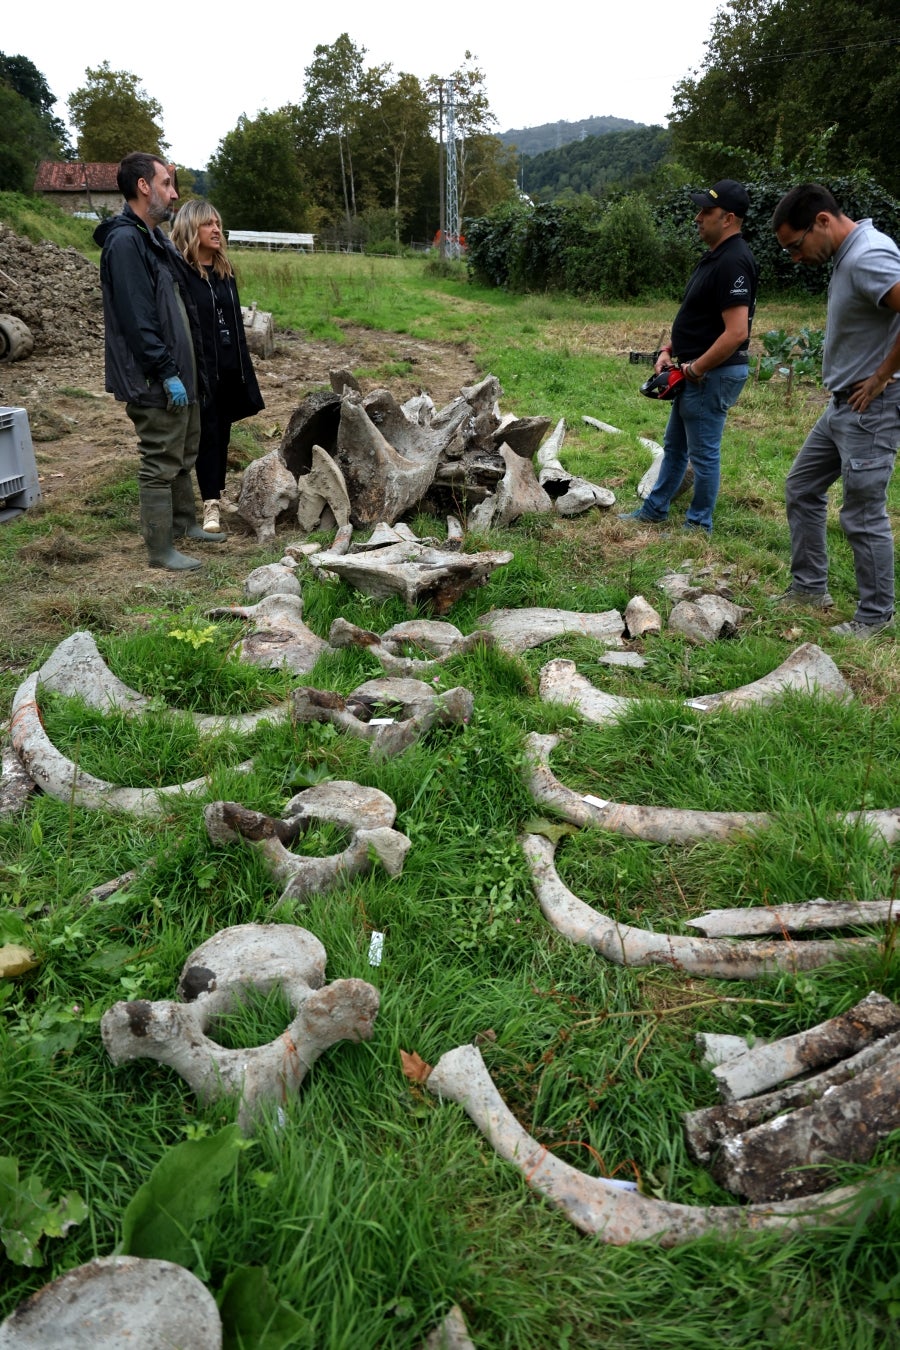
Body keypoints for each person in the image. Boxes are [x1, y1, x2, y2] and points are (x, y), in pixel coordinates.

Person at [772, 184, 900, 637]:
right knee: (802, 486)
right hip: (842, 406)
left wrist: (883, 374)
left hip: (872, 407)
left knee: (863, 514)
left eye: (795, 244)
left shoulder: (868, 255)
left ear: (822, 222)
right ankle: (809, 588)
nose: (794, 256)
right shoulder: (852, 254)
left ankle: (875, 617)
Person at [94, 152, 225, 571]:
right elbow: (138, 320)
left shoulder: (151, 239)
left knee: (183, 453)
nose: (174, 194)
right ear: (143, 186)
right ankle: (159, 549)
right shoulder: (126, 242)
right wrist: (166, 371)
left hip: (180, 373)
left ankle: (185, 525)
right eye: (166, 184)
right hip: (154, 377)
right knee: (160, 459)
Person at [620, 179, 758, 533]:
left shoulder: (733, 262)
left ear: (728, 218)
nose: (697, 217)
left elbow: (737, 332)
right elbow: (700, 319)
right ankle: (655, 509)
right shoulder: (716, 256)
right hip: (696, 371)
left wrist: (696, 367)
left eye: (705, 212)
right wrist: (670, 350)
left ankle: (698, 525)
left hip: (710, 374)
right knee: (676, 446)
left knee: (703, 454)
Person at [169, 199, 264, 532]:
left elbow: (233, 322)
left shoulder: (225, 270)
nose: (216, 230)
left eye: (218, 224)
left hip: (228, 364)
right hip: (199, 368)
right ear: (192, 228)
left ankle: (219, 492)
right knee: (207, 432)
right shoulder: (179, 271)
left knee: (223, 431)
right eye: (208, 224)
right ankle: (209, 504)